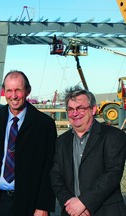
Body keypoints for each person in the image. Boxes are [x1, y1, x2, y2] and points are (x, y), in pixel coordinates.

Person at [0, 70, 57, 216]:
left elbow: (50, 167)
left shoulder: (44, 125)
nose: (14, 96)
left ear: (28, 91)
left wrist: (43, 205)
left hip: (29, 203)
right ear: (4, 92)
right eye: (9, 91)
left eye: (18, 90)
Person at [50, 85, 126, 216]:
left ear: (93, 109)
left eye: (80, 108)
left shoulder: (114, 136)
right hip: (71, 212)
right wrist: (69, 203)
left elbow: (112, 173)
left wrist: (84, 203)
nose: (75, 113)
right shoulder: (61, 141)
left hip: (106, 211)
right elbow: (55, 175)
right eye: (70, 109)